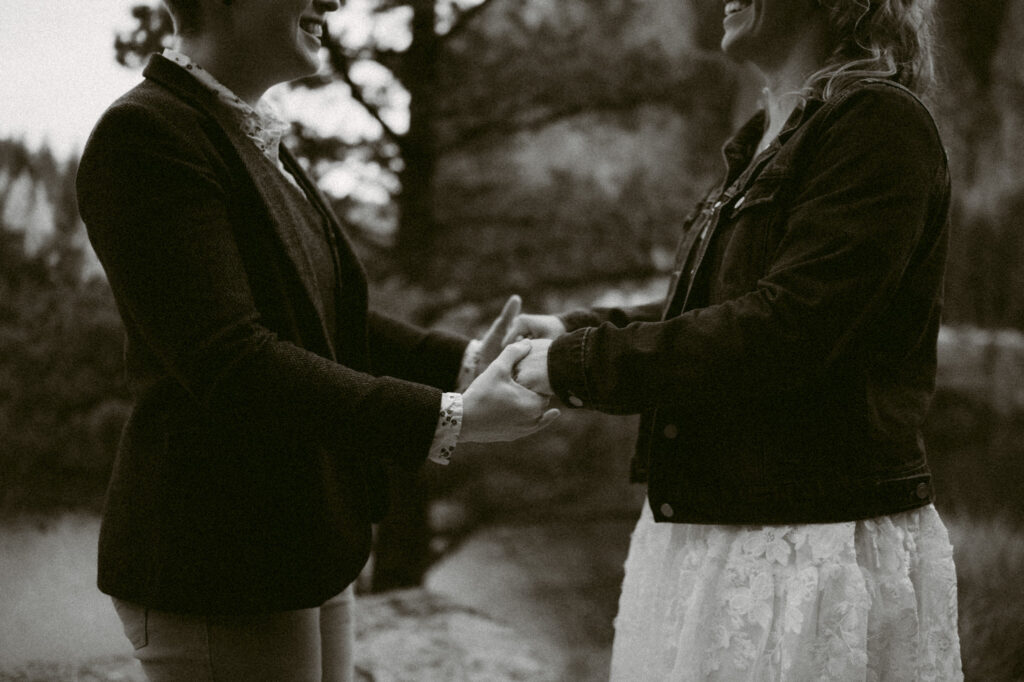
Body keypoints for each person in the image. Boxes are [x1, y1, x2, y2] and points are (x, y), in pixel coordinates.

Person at [75, 0, 558, 679]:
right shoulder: (146, 135)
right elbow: (234, 362)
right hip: (220, 557)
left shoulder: (243, 131)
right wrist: (448, 419)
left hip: (296, 543)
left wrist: (464, 361)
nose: (332, 1)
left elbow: (322, 310)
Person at [506, 0, 963, 678]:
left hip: (807, 541)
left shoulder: (878, 124)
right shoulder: (763, 138)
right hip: (712, 522)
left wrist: (575, 365)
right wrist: (581, 330)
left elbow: (786, 330)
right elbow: (728, 302)